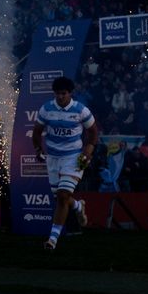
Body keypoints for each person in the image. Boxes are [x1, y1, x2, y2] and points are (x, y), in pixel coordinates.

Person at [29, 77, 98, 251]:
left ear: (70, 93)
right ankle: (78, 205)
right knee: (61, 198)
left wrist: (87, 152)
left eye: (63, 93)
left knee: (62, 196)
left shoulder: (81, 110)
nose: (60, 97)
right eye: (58, 93)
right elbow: (36, 132)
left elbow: (93, 134)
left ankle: (52, 240)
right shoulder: (46, 109)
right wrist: (38, 149)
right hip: (53, 158)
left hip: (73, 158)